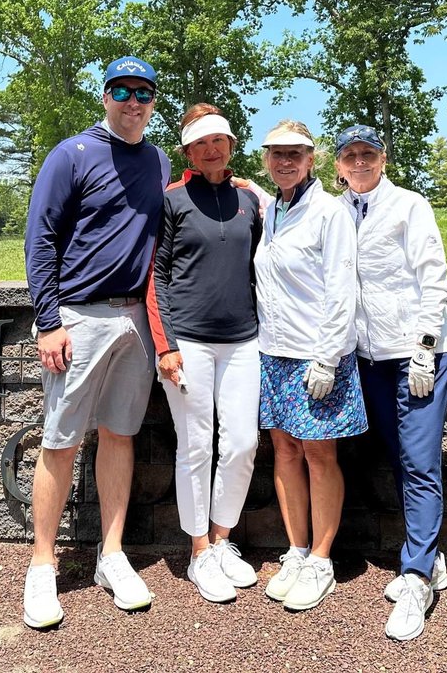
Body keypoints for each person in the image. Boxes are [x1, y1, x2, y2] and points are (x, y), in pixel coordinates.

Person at [21, 56, 171, 630]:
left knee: (120, 435)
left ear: (153, 101)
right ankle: (42, 565)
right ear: (105, 96)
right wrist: (48, 319)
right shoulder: (72, 154)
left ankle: (111, 555)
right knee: (60, 440)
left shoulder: (158, 161)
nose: (133, 101)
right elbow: (41, 240)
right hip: (78, 318)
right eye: (122, 91)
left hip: (136, 320)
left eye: (144, 92)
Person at [333, 123, 447, 641]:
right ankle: (429, 556)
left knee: (419, 459)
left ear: (383, 159)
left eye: (369, 153)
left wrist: (425, 346)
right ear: (337, 164)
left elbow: (434, 276)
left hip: (418, 353)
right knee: (395, 456)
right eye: (350, 155)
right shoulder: (335, 212)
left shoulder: (410, 205)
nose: (360, 162)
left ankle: (414, 577)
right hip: (369, 359)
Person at [147, 104, 265, 603]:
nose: (212, 149)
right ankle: (198, 552)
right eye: (201, 143)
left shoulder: (248, 201)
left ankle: (222, 539)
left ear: (231, 146)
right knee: (195, 447)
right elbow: (157, 276)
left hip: (244, 341)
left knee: (241, 443)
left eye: (220, 141)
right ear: (188, 152)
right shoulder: (173, 200)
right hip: (188, 342)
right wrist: (165, 345)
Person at [255, 120, 366, 611]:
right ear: (266, 160)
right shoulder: (273, 209)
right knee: (283, 450)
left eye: (294, 154)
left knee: (319, 454)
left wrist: (327, 357)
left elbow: (343, 290)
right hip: (273, 351)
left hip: (317, 355)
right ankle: (296, 549)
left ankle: (322, 558)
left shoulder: (329, 212)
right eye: (276, 154)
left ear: (312, 158)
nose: (285, 161)